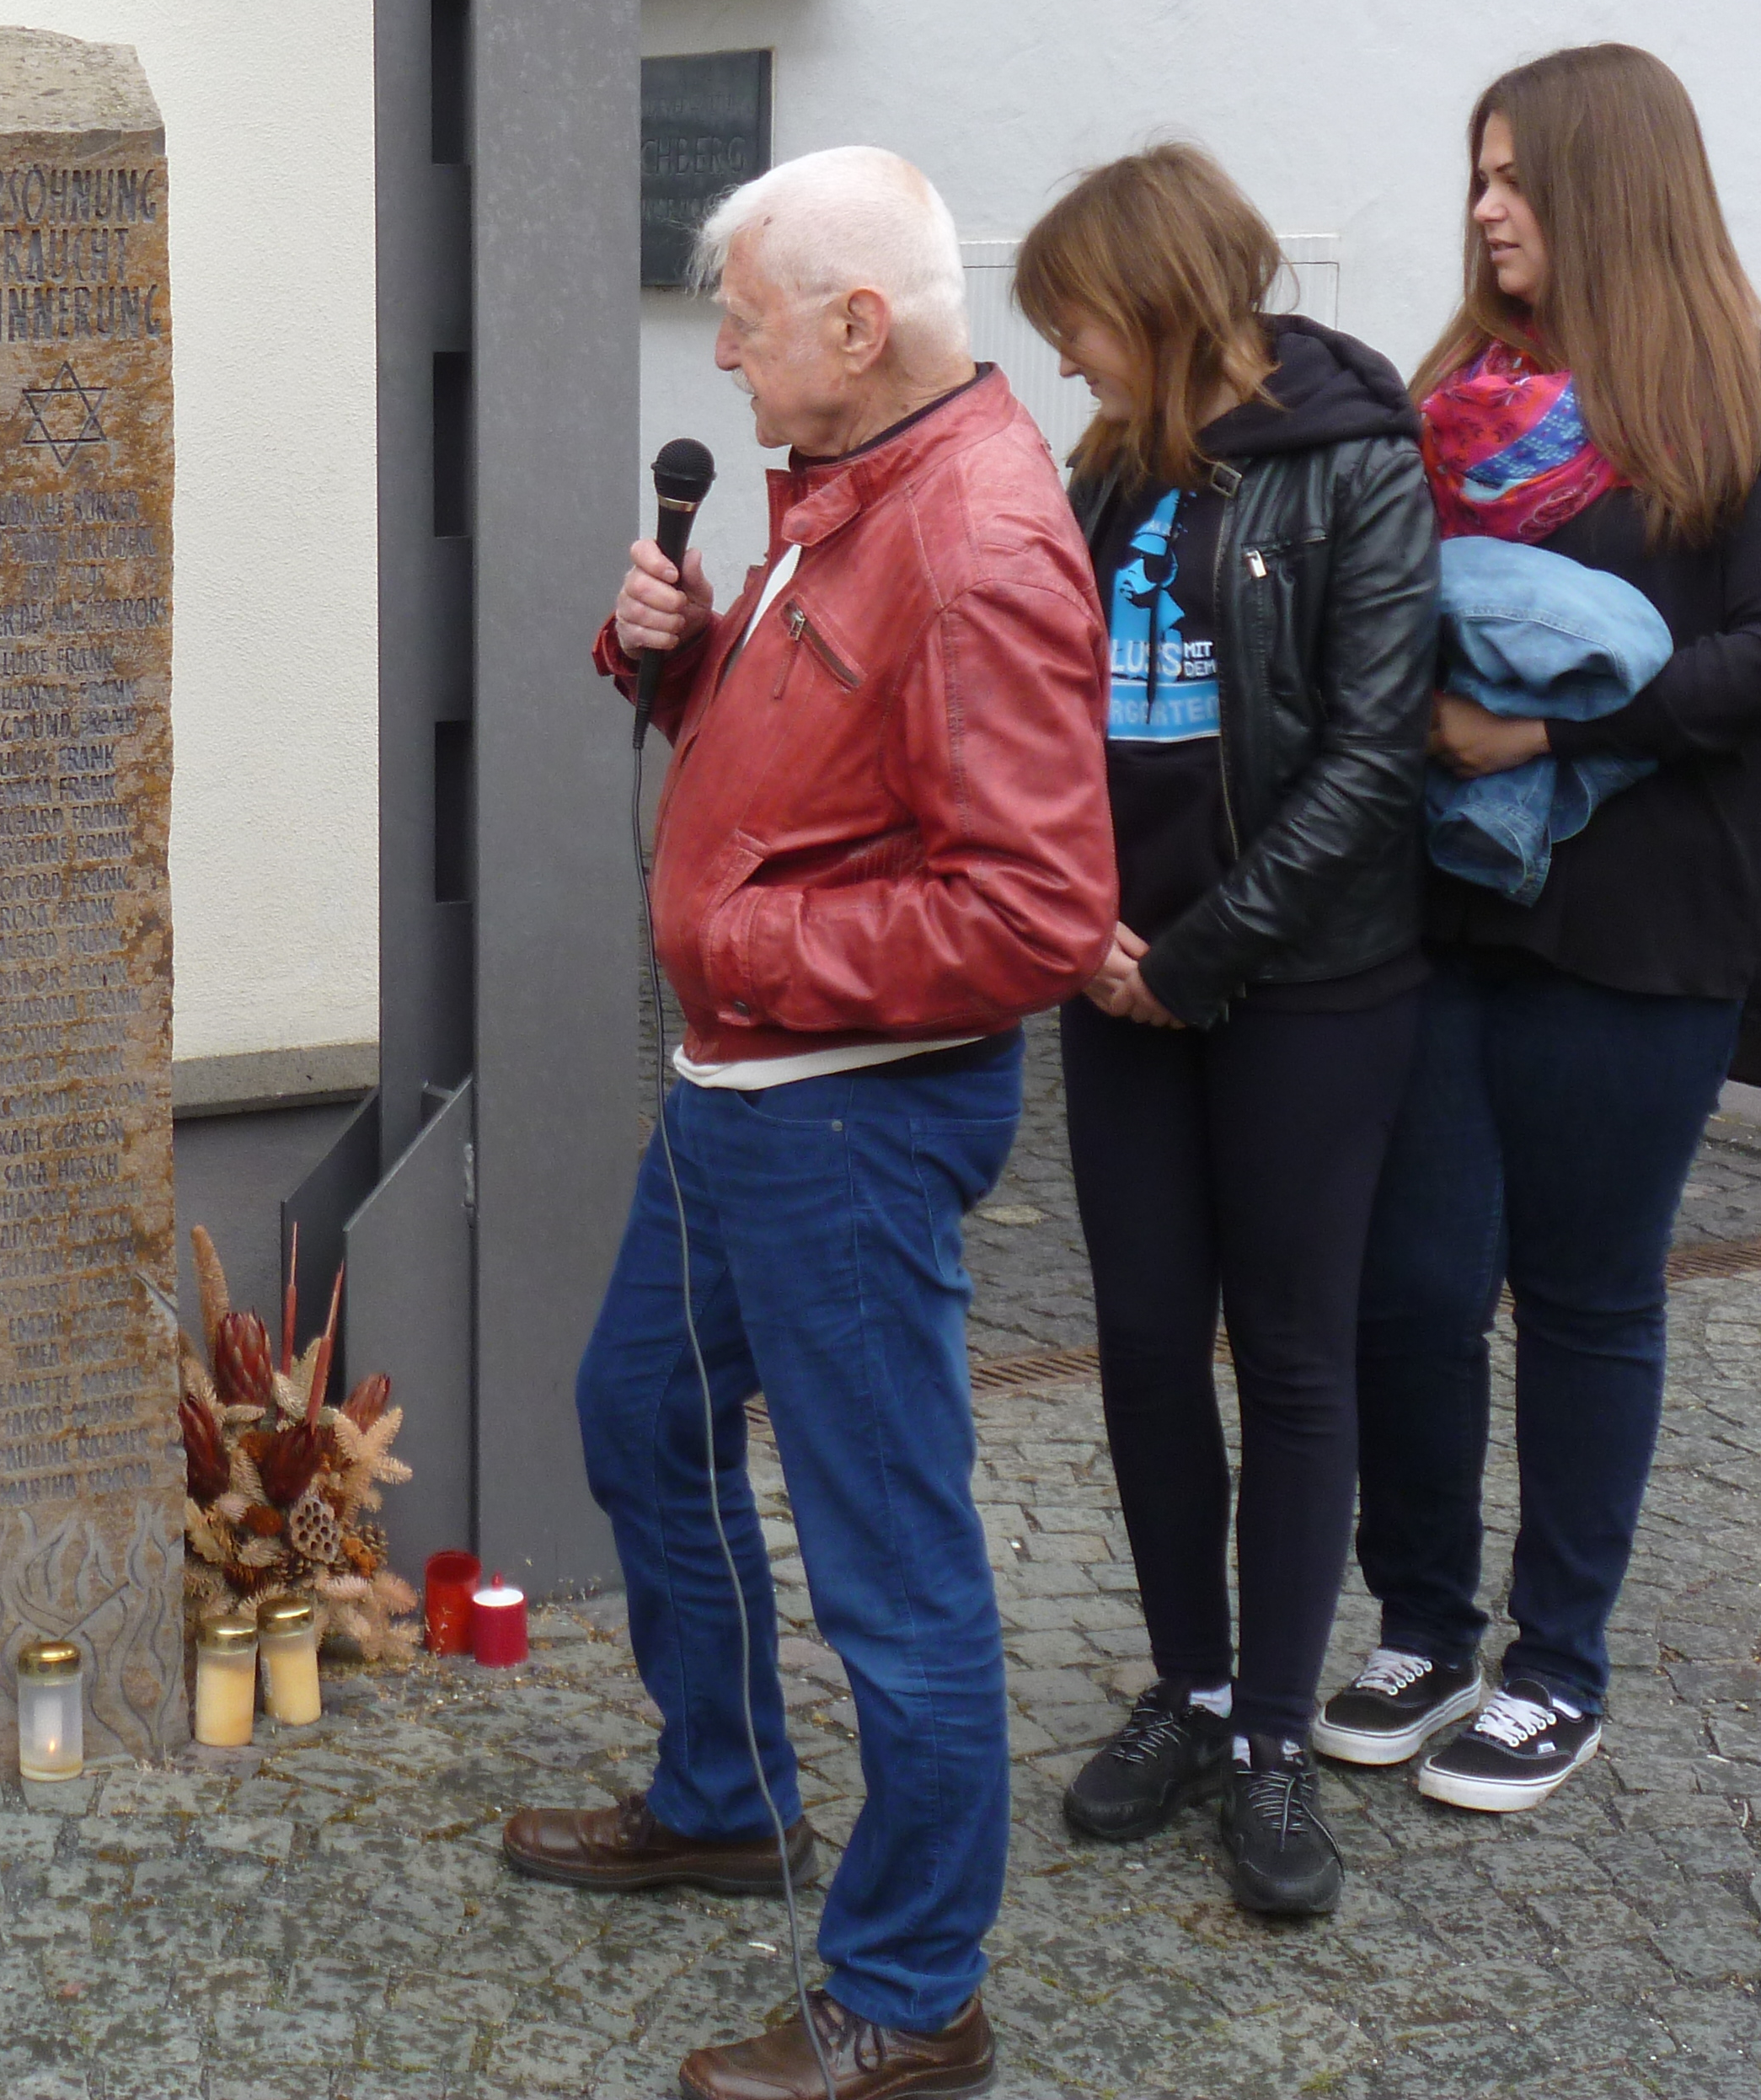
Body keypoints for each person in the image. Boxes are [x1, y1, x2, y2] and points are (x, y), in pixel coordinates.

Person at [509, 147, 1116, 2100]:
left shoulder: (976, 540)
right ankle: (725, 1794)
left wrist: (750, 936)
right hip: (745, 1093)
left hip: (841, 1113)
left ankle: (913, 1990)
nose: (721, 358)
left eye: (746, 322)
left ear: (861, 328)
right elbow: (825, 761)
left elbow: (1031, 912)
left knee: (891, 1561)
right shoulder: (852, 490)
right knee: (641, 1419)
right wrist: (677, 663)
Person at [1322, 44, 1761, 1809]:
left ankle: (1556, 1665)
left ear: (1610, 188)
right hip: (1437, 909)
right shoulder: (1447, 392)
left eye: (1515, 178)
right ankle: (1417, 1619)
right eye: (1475, 175)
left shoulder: (1757, 402)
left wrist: (1548, 727)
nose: (1482, 210)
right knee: (1410, 1285)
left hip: (1646, 926)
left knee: (1587, 1296)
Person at [1019, 145, 1436, 1918]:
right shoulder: (1104, 466)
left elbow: (1374, 749)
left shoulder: (1357, 456)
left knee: (1291, 1351)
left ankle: (1274, 1737)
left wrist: (1196, 956)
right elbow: (1048, 709)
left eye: (1081, 322)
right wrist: (1078, 927)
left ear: (1166, 302)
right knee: (1133, 1338)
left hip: (1305, 989)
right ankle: (1185, 1691)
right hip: (1113, 977)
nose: (1064, 359)